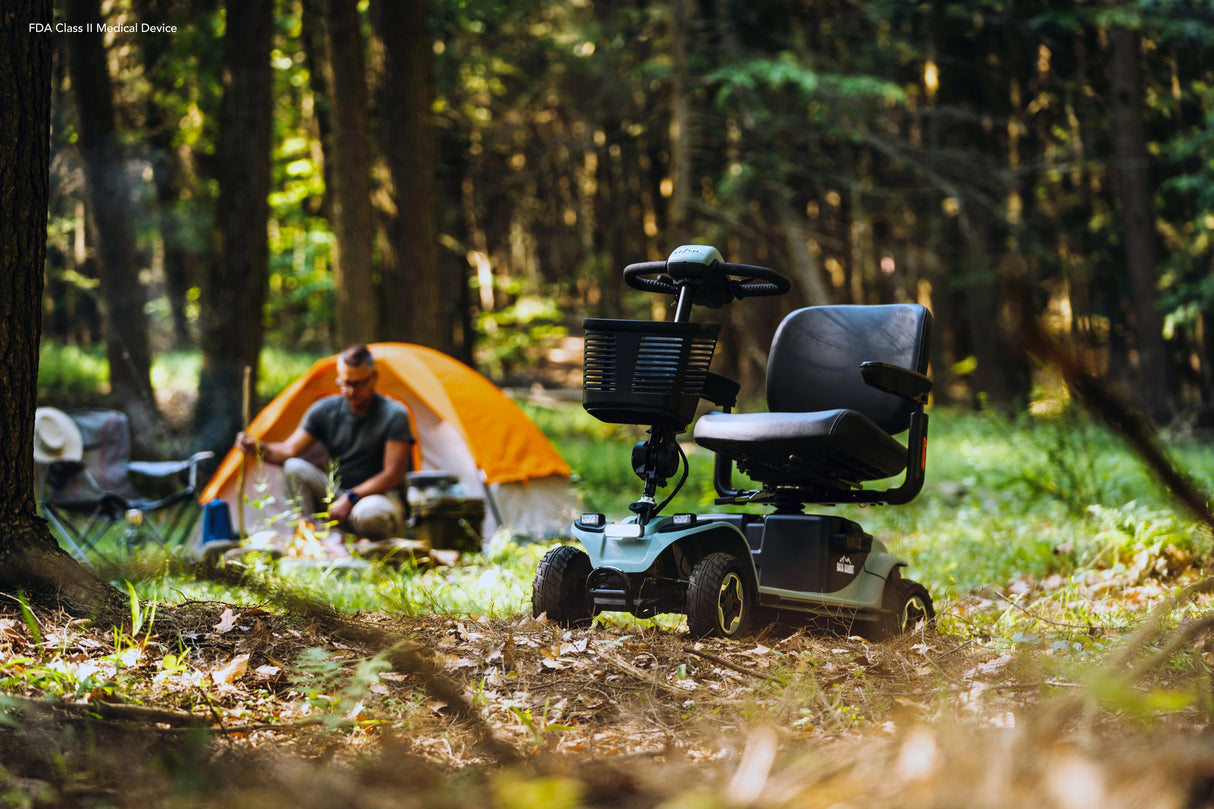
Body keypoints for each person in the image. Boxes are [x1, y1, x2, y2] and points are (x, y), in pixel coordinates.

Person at [235, 344, 412, 540]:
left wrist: (351, 497)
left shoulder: (394, 414)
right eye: (345, 383)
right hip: (337, 495)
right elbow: (288, 450)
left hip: (379, 497)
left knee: (370, 516)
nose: (351, 391)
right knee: (293, 467)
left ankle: (365, 542)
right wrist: (258, 448)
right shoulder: (325, 410)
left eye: (359, 384)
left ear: (374, 378)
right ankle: (313, 539)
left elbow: (393, 474)